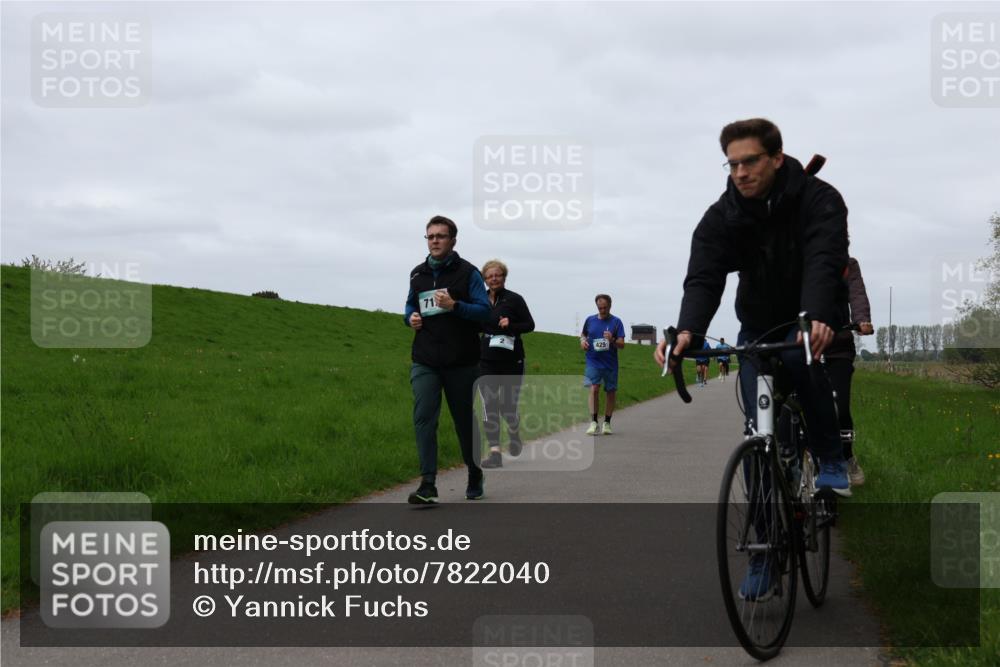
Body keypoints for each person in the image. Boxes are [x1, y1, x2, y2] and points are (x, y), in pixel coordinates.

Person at [654, 118, 851, 599]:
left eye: (750, 161)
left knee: (807, 369)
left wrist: (818, 316)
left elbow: (826, 257)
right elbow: (703, 277)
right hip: (758, 325)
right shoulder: (723, 215)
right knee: (757, 434)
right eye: (732, 163)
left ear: (776, 158)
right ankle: (763, 552)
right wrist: (687, 332)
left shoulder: (819, 199)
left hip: (807, 318)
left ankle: (829, 453)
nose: (740, 172)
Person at [404, 215, 490, 504]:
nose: (435, 241)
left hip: (461, 360)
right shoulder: (417, 274)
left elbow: (484, 312)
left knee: (464, 421)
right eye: (430, 236)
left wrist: (456, 306)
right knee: (424, 418)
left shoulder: (469, 273)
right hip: (426, 358)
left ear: (453, 240)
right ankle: (428, 484)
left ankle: (474, 471)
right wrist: (410, 318)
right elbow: (409, 305)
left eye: (441, 236)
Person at [478, 259, 535, 468]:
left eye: (498, 275)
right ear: (484, 279)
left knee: (508, 407)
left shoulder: (515, 299)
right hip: (486, 361)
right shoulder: (480, 300)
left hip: (512, 361)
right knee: (489, 405)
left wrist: (511, 325)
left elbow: (530, 325)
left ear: (504, 277)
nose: (494, 278)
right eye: (489, 276)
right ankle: (495, 453)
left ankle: (514, 434)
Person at [823, 257, 874, 486]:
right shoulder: (801, 260)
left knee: (840, 406)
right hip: (803, 343)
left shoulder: (848, 265)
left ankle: (847, 457)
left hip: (838, 343)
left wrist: (862, 319)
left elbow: (857, 293)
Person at [580, 294, 626, 435]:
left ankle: (607, 422)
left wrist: (612, 339)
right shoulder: (590, 320)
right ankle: (594, 422)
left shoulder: (616, 322)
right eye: (600, 308)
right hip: (593, 360)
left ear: (610, 306)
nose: (602, 310)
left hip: (610, 362)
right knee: (594, 388)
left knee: (610, 391)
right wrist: (583, 342)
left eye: (605, 308)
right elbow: (583, 335)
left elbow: (622, 344)